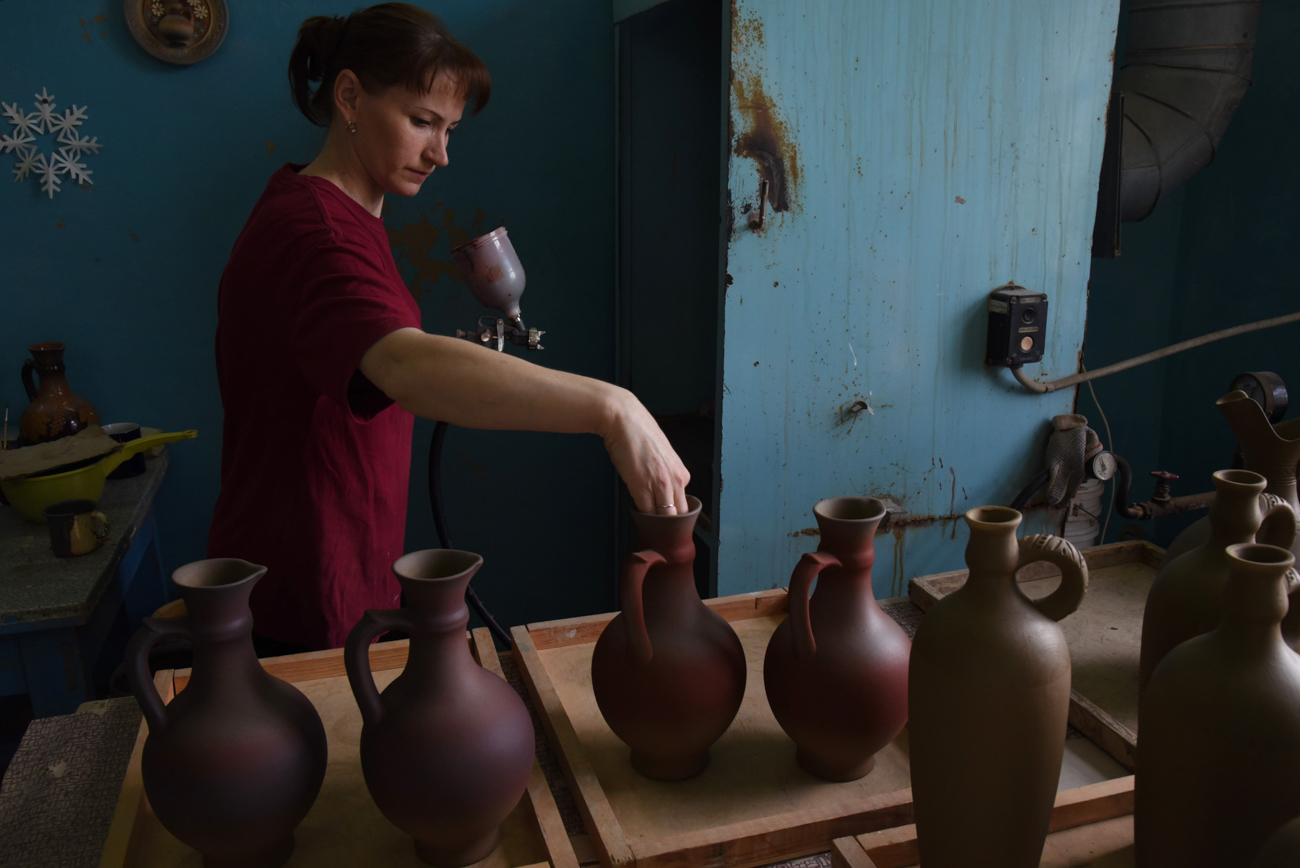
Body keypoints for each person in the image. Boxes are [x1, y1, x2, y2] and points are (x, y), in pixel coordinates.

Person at [207, 3, 689, 653]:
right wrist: (613, 407)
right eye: (421, 122)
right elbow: (404, 366)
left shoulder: (336, 214)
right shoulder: (314, 233)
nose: (440, 154)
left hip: (339, 563)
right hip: (305, 588)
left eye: (450, 131)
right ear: (349, 95)